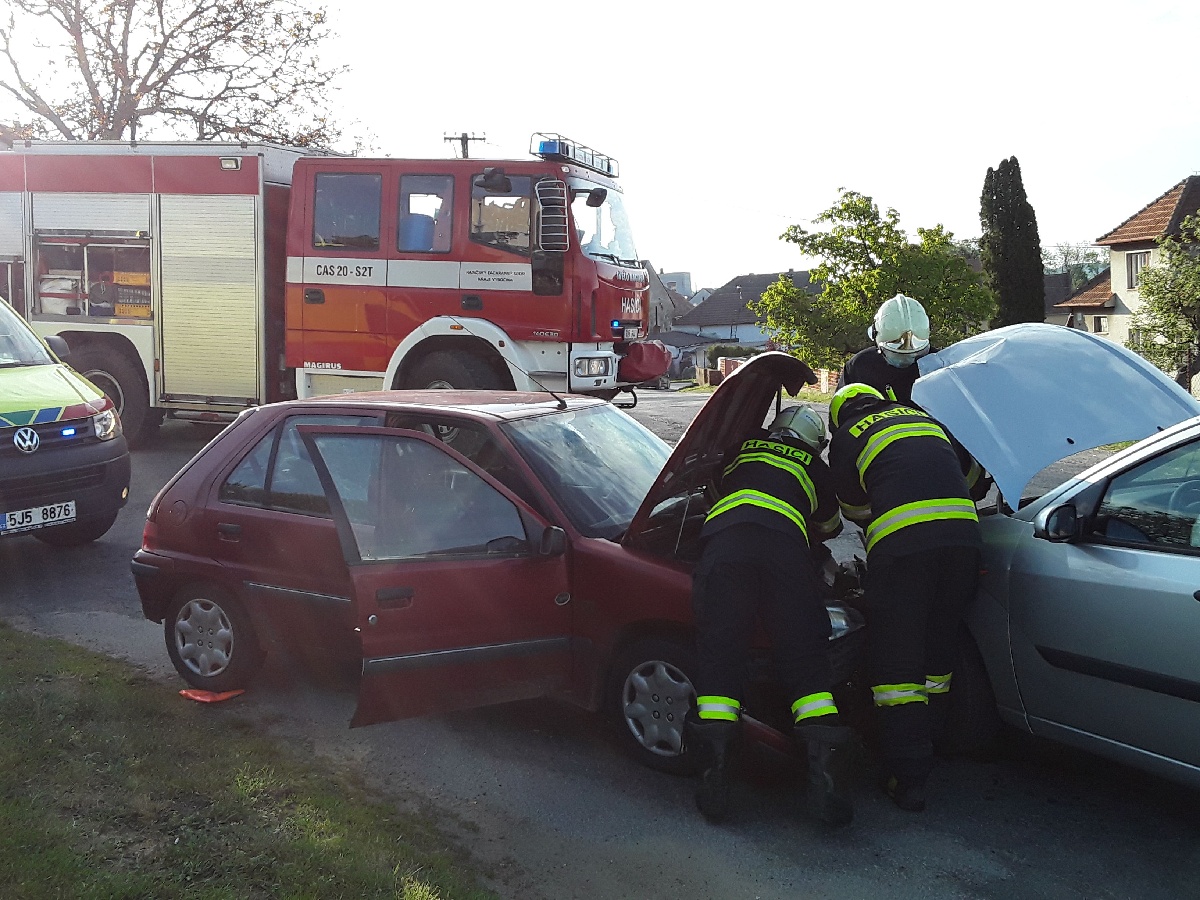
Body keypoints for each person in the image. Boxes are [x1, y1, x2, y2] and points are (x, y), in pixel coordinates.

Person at [684, 404, 853, 826]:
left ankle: (715, 782)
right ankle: (824, 783)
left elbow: (710, 493)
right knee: (805, 660)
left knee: (720, 656)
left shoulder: (741, 447)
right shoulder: (814, 465)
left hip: (725, 548)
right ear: (814, 441)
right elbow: (830, 527)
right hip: (786, 552)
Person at [826, 382, 988, 813]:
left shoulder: (849, 435)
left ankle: (908, 776)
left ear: (839, 414)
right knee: (938, 654)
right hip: (965, 545)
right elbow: (973, 478)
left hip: (904, 555)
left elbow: (853, 510)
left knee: (897, 667)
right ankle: (934, 743)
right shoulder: (925, 418)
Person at [839, 294, 934, 405]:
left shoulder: (940, 367)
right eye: (896, 354)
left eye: (916, 354)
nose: (906, 359)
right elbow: (841, 408)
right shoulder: (859, 367)